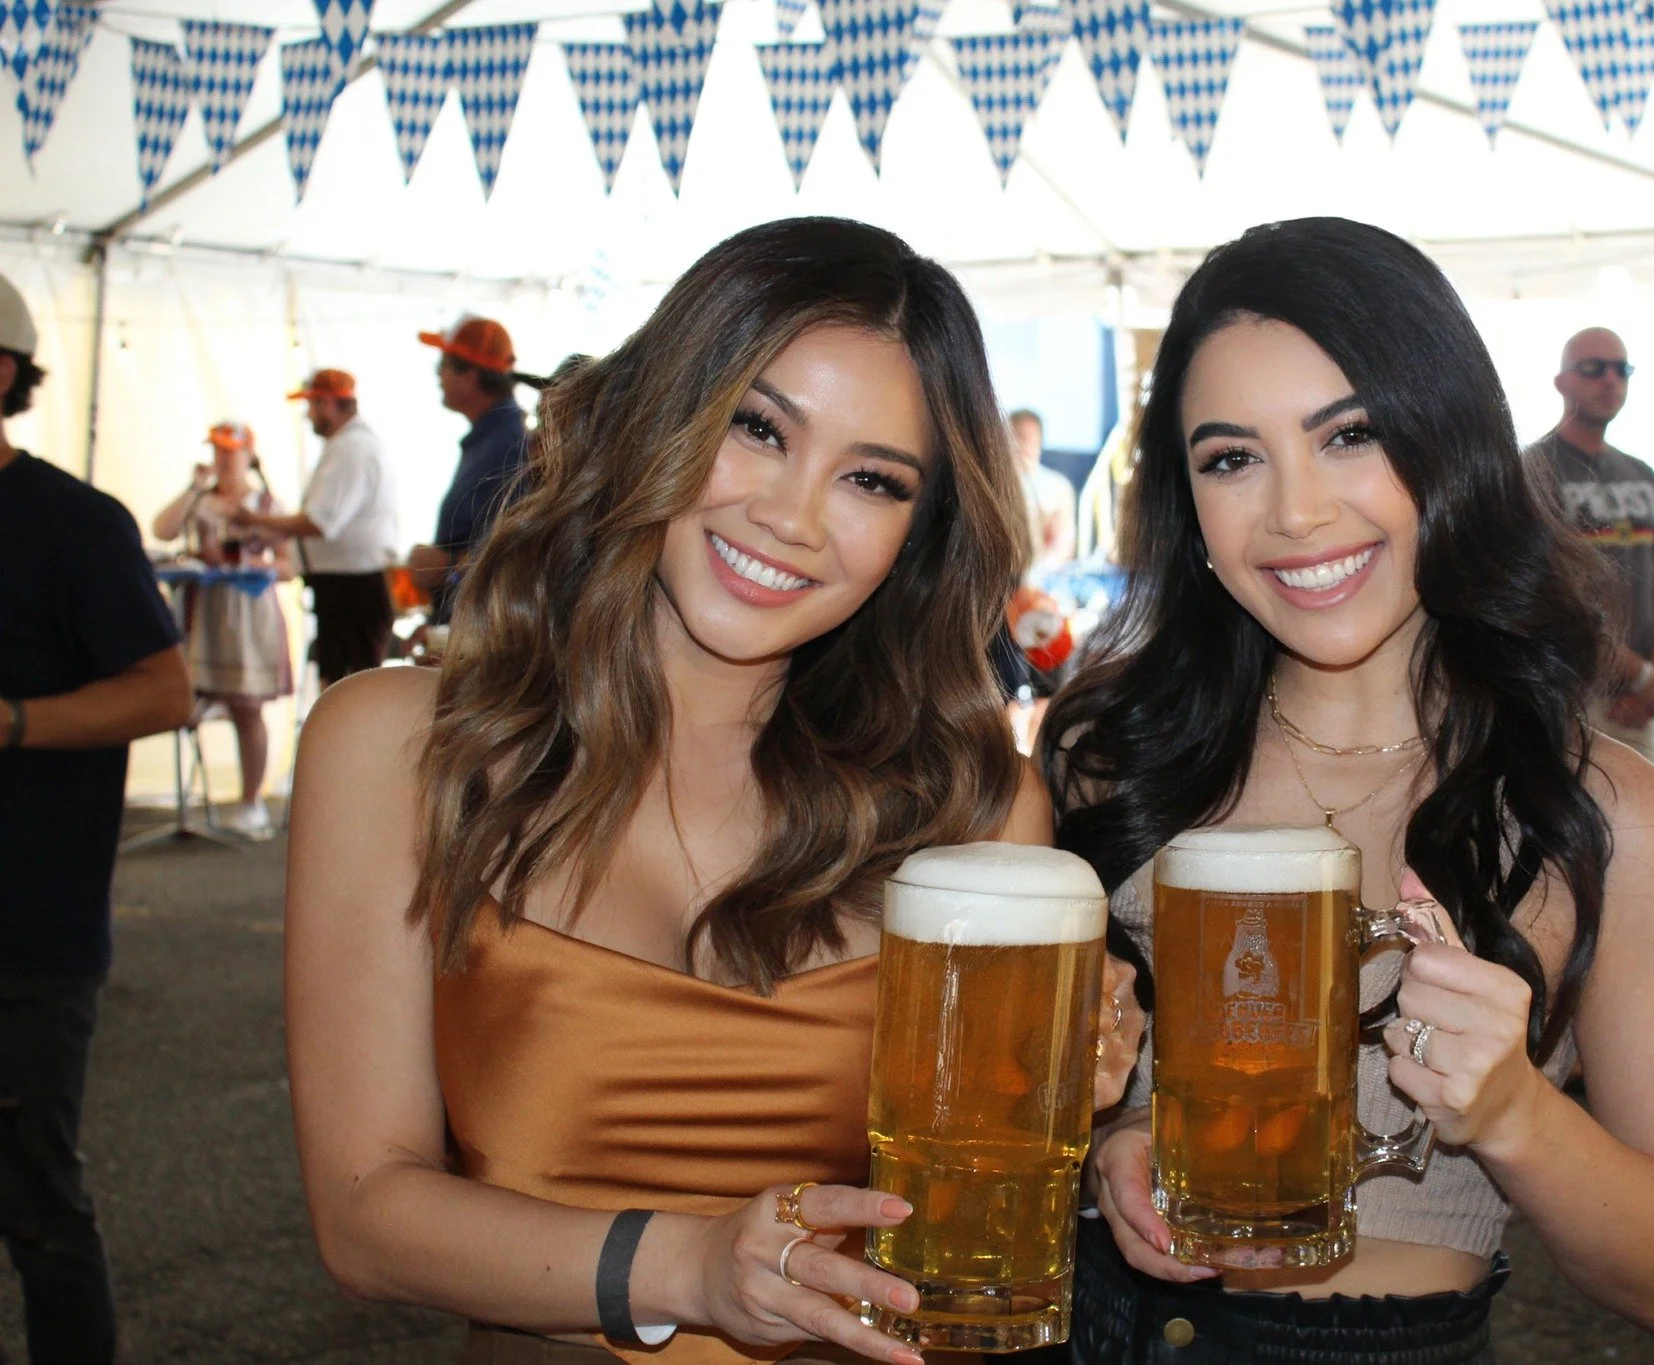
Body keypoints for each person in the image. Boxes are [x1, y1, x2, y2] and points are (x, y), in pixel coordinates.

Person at [284, 218, 1143, 1364]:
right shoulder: (397, 748)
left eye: (870, 480)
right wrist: (687, 1267)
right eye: (757, 427)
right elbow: (363, 1216)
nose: (790, 517)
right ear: (658, 413)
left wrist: (1081, 1096)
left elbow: (972, 1225)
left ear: (918, 535)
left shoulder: (972, 812)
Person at [1042, 220, 1654, 1363]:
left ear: (1449, 444)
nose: (1295, 512)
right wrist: (1111, 1142)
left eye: (1348, 436)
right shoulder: (1107, 756)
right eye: (1231, 459)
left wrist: (1514, 1114)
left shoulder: (1607, 816)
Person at [0, 270, 193, 1365]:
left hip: (26, 927)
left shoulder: (72, 524)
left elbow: (165, 693)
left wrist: (14, 720)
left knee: (32, 1199)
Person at [1524, 329, 1654, 760]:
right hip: (1567, 698)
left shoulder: (1640, 473)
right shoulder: (1532, 472)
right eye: (1593, 368)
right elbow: (1553, 601)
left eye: (1621, 369)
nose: (1610, 380)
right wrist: (1641, 676)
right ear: (1561, 383)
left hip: (1637, 704)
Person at [151, 422, 294, 838]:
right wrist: (194, 489)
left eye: (231, 451)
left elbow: (288, 565)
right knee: (193, 695)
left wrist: (251, 563)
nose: (224, 458)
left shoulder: (266, 504)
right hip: (206, 609)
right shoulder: (203, 499)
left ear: (248, 454)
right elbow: (162, 529)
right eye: (218, 450)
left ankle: (251, 801)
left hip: (248, 610)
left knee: (248, 705)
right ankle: (204, 795)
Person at [235, 369, 400, 688]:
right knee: (339, 682)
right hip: (342, 586)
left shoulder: (352, 448)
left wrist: (256, 520)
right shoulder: (346, 445)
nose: (308, 415)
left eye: (311, 406)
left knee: (351, 688)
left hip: (354, 588)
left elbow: (320, 522)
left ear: (327, 404)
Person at [407, 316, 538, 624]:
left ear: (469, 376)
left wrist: (447, 564)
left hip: (484, 625)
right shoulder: (492, 437)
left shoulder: (507, 444)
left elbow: (518, 547)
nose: (438, 375)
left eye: (443, 365)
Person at [1011, 408, 1077, 575]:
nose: (1023, 446)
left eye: (1030, 439)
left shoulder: (1058, 487)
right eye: (1018, 438)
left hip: (1045, 578)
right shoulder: (994, 489)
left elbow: (1064, 546)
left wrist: (1038, 573)